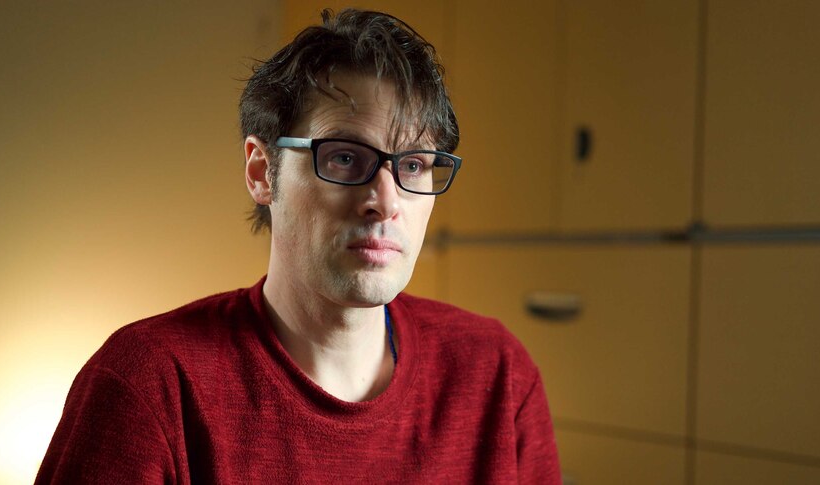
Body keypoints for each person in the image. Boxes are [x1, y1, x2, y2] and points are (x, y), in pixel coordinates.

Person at [36, 8, 561, 484]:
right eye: (344, 158)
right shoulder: (147, 385)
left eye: (414, 165)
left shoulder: (497, 371)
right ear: (262, 171)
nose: (385, 200)